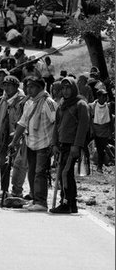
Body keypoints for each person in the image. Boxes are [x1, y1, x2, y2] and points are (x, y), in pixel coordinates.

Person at [8, 76, 58, 211]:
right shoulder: (30, 103)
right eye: (28, 86)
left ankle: (41, 202)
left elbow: (56, 123)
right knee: (31, 172)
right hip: (31, 143)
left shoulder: (48, 103)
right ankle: (35, 198)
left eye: (32, 86)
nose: (28, 89)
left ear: (41, 88)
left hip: (44, 144)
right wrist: (14, 141)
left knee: (40, 173)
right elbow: (22, 123)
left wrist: (54, 144)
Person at [50, 77, 90, 214]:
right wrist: (54, 143)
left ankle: (66, 203)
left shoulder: (81, 104)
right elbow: (56, 125)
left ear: (73, 88)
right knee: (63, 175)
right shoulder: (62, 104)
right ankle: (72, 204)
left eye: (68, 88)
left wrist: (77, 145)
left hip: (72, 145)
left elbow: (83, 127)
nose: (66, 91)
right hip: (61, 145)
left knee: (65, 174)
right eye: (63, 88)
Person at [0, 75, 27, 198]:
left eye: (10, 85)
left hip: (16, 137)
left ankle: (17, 191)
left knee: (18, 165)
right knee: (3, 164)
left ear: (16, 87)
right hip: (2, 137)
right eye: (5, 85)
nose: (7, 88)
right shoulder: (1, 100)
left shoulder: (23, 101)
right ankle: (4, 190)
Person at [89, 88, 115, 172]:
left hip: (104, 130)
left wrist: (111, 131)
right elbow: (90, 119)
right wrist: (92, 129)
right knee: (100, 147)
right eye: (103, 96)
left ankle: (100, 167)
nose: (105, 98)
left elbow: (110, 119)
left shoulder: (108, 106)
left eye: (105, 96)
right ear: (98, 97)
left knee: (101, 149)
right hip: (95, 129)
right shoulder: (92, 106)